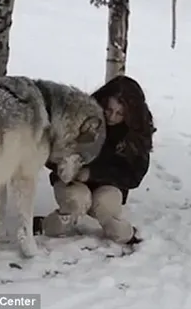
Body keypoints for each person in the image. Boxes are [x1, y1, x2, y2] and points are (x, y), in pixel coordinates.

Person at [34, 74, 156, 246]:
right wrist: (68, 166)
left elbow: (134, 175)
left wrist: (93, 173)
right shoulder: (83, 116)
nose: (112, 117)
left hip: (109, 185)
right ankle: (44, 225)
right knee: (75, 203)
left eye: (120, 113)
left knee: (112, 221)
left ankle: (129, 233)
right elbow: (51, 151)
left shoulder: (136, 134)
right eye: (108, 110)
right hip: (72, 181)